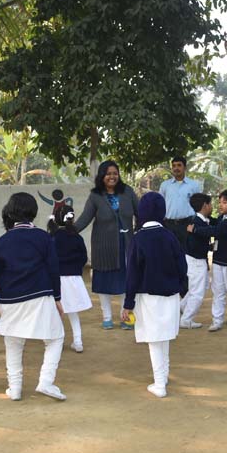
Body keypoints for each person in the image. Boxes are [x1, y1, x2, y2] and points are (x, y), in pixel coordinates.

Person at [0, 193, 66, 401]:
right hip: (39, 293)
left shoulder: (3, 241)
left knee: (13, 343)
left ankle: (15, 388)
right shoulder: (43, 237)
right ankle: (46, 382)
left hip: (9, 298)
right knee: (55, 337)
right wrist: (57, 297)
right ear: (34, 212)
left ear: (10, 212)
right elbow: (53, 269)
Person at [121, 192, 188, 398]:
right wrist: (181, 289)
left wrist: (128, 303)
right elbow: (182, 265)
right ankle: (164, 376)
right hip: (171, 295)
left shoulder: (138, 239)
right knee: (164, 337)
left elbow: (132, 274)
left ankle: (159, 384)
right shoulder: (170, 236)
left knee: (154, 340)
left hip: (148, 297)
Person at [75, 160, 139, 330]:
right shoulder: (95, 196)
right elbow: (84, 219)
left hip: (126, 245)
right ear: (102, 176)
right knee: (104, 282)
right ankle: (107, 318)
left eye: (115, 173)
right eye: (108, 174)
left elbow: (140, 213)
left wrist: (142, 232)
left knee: (126, 281)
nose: (112, 177)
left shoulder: (128, 192)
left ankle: (126, 318)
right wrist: (67, 232)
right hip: (103, 247)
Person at [188, 189, 227, 332]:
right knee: (218, 291)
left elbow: (216, 231)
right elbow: (213, 223)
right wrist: (201, 217)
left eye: (224, 202)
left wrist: (195, 229)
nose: (220, 205)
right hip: (218, 260)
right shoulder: (222, 217)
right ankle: (217, 320)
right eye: (219, 202)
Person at [48, 204, 92, 352]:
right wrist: (75, 268)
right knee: (73, 312)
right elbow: (83, 257)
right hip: (73, 279)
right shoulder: (76, 237)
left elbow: (47, 258)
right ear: (72, 219)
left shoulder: (51, 237)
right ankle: (78, 341)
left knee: (56, 313)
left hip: (56, 280)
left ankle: (56, 342)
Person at [179, 193, 214, 329]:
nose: (212, 207)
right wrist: (208, 247)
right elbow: (194, 245)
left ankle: (182, 307)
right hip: (196, 260)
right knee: (197, 292)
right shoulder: (197, 223)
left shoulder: (197, 221)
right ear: (205, 205)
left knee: (199, 287)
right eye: (210, 204)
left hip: (195, 259)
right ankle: (186, 320)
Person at [159, 156, 201, 250]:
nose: (176, 168)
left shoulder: (194, 185)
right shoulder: (165, 185)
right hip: (169, 225)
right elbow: (160, 204)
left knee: (187, 252)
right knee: (169, 251)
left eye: (179, 165)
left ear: (185, 167)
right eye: (174, 166)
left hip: (187, 224)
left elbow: (199, 205)